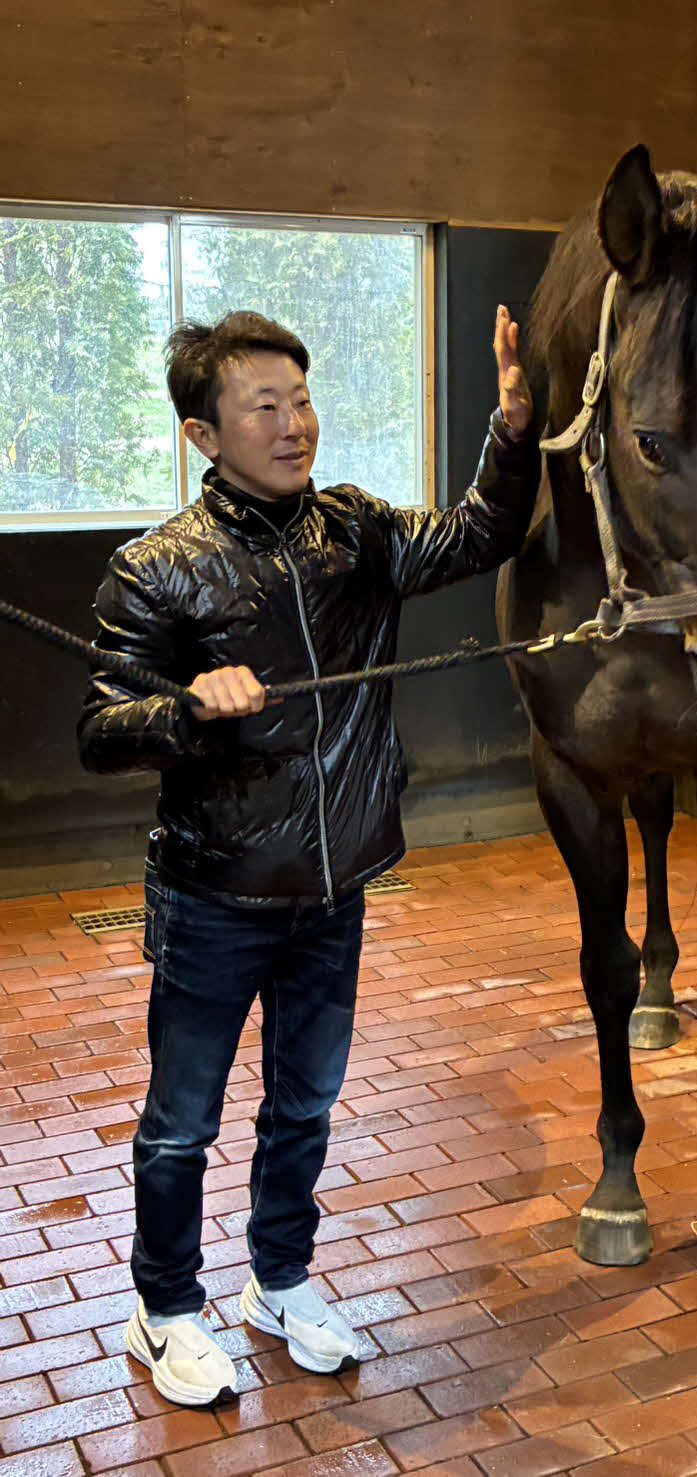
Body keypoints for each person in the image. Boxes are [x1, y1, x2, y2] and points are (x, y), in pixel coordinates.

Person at [78, 307, 538, 1407]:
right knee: (181, 1121)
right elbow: (102, 733)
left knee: (305, 1104)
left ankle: (279, 1282)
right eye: (264, 406)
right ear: (203, 433)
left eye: (301, 398)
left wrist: (512, 435)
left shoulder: (358, 531)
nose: (295, 425)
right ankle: (166, 1307)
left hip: (335, 885)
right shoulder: (155, 571)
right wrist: (187, 709)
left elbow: (480, 535)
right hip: (214, 893)